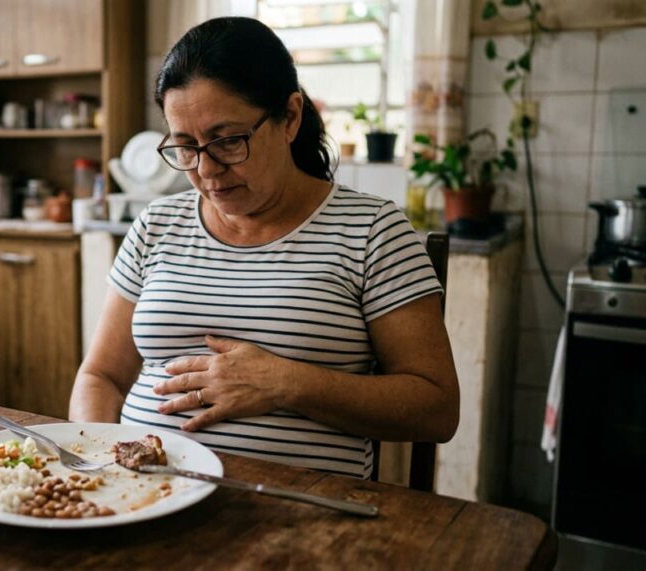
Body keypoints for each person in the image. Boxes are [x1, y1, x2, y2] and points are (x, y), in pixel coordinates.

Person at [69, 17, 459, 478]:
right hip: (146, 499)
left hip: (302, 515)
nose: (206, 170)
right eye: (186, 147)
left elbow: (435, 409)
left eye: (228, 141)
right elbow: (101, 376)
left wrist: (286, 383)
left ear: (290, 117)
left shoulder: (373, 230)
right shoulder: (157, 224)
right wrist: (100, 464)